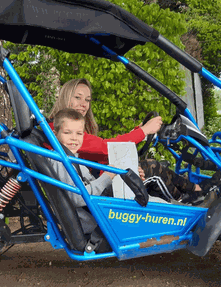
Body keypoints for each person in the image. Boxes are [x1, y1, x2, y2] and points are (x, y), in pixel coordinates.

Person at [49, 78, 211, 203]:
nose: (83, 104)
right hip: (99, 191)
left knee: (148, 167)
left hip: (98, 182)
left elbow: (99, 155)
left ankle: (194, 193)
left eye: (87, 100)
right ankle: (191, 198)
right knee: (152, 168)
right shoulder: (60, 131)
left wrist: (137, 133)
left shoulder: (68, 131)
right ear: (66, 97)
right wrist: (143, 131)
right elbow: (106, 148)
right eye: (78, 97)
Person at [49, 109, 116, 252]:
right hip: (95, 226)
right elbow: (79, 197)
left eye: (79, 133)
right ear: (55, 135)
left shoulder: (71, 158)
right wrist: (107, 178)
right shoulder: (61, 162)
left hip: (98, 214)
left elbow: (90, 184)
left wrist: (113, 178)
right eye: (67, 133)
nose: (74, 138)